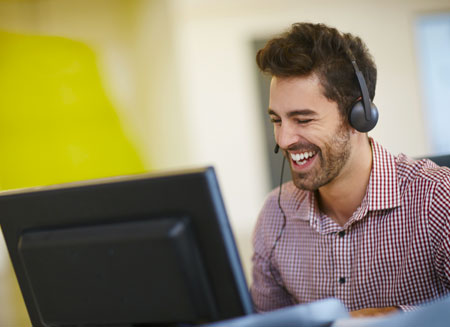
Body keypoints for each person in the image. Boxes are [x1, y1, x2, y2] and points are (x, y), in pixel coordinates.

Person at [250, 22, 450, 317]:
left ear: (360, 116)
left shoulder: (437, 198)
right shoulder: (275, 215)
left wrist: (397, 318)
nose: (284, 139)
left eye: (303, 120)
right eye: (277, 120)